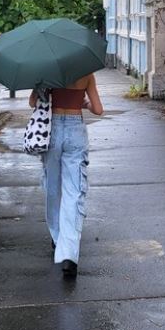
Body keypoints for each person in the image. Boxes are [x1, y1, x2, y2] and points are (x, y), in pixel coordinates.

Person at [30, 73, 103, 279]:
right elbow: (98, 110)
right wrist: (85, 103)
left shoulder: (47, 71)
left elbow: (32, 102)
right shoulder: (87, 74)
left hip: (51, 130)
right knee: (73, 192)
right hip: (75, 130)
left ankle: (57, 236)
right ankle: (69, 254)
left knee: (53, 188)